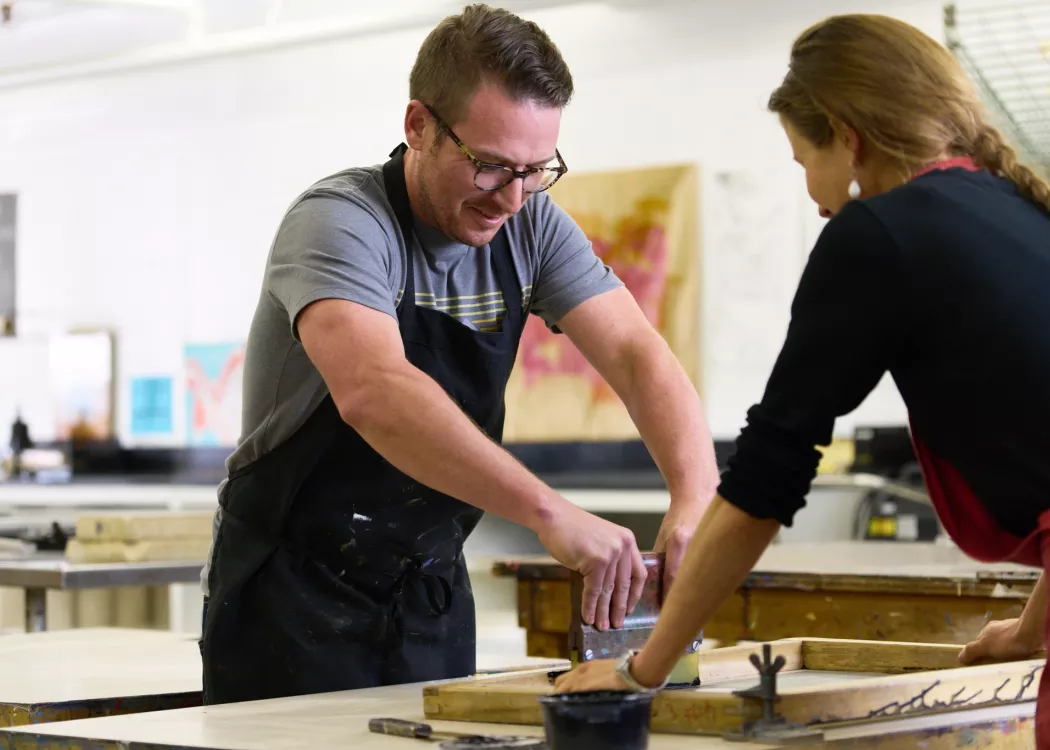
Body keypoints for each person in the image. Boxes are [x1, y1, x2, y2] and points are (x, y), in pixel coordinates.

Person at [199, 3, 719, 705]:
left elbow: (633, 351)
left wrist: (695, 497)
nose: (511, 197)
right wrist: (548, 514)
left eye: (537, 170)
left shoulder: (532, 225)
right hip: (292, 598)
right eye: (490, 166)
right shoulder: (340, 223)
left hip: (429, 592)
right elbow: (375, 391)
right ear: (418, 126)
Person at [553, 12, 1050, 746]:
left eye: (800, 161)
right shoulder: (1019, 211)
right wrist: (1029, 632)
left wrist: (639, 674)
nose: (812, 193)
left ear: (848, 136)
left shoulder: (875, 233)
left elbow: (765, 480)